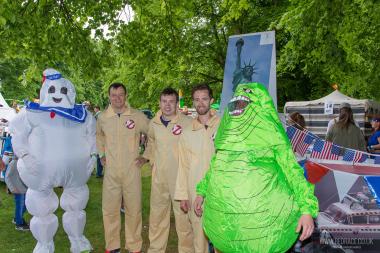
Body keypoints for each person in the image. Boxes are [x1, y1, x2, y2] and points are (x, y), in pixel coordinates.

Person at [193, 83, 318, 253]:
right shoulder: (228, 138)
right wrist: (201, 191)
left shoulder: (272, 138)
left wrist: (306, 210)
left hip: (263, 226)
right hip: (230, 225)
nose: (238, 109)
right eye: (236, 105)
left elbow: (293, 173)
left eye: (243, 104)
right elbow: (217, 167)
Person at [9, 68, 96, 253]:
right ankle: (44, 243)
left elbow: (92, 136)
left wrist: (93, 155)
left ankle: (78, 239)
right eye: (52, 90)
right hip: (40, 172)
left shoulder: (81, 115)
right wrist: (24, 155)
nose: (58, 95)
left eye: (63, 91)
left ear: (70, 92)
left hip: (75, 172)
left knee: (76, 205)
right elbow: (17, 133)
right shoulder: (33, 113)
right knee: (41, 207)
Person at [136, 87, 193, 253]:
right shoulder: (153, 123)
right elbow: (152, 143)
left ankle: (187, 250)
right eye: (164, 101)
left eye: (171, 101)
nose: (167, 105)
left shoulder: (187, 123)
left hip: (179, 179)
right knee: (157, 218)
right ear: (160, 103)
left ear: (177, 103)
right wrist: (147, 157)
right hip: (159, 179)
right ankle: (155, 249)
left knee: (183, 220)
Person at [96, 82, 149, 253]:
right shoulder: (103, 117)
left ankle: (134, 246)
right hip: (111, 172)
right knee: (110, 210)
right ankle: (112, 246)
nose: (117, 98)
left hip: (131, 170)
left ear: (126, 96)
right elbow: (99, 137)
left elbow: (154, 135)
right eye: (114, 95)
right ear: (109, 96)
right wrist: (101, 155)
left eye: (121, 95)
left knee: (134, 210)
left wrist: (146, 156)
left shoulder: (137, 116)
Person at [174, 84, 220, 253]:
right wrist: (183, 195)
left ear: (212, 101)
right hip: (195, 194)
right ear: (193, 102)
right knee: (199, 241)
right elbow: (183, 166)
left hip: (220, 193)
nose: (201, 103)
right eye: (197, 99)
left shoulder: (223, 127)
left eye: (204, 99)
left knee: (221, 241)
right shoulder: (187, 133)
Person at [1, 134, 29, 231]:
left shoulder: (23, 162)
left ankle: (17, 218)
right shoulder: (14, 163)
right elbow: (7, 177)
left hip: (23, 187)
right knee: (20, 204)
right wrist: (13, 189)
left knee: (25, 204)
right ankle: (19, 224)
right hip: (18, 189)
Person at [93, 106, 103, 178]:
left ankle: (98, 173)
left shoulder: (98, 115)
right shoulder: (99, 115)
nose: (94, 110)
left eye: (95, 109)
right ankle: (99, 173)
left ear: (97, 109)